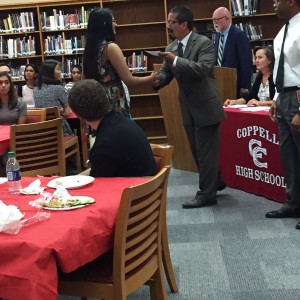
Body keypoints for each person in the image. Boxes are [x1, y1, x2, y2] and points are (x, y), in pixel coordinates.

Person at [154, 6, 226, 208]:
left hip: (206, 106)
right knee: (198, 152)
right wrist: (155, 80)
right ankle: (216, 181)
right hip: (188, 109)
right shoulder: (170, 48)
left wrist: (176, 60)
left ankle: (206, 194)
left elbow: (202, 69)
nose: (168, 26)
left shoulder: (204, 43)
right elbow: (167, 76)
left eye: (171, 22)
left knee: (206, 152)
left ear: (184, 24)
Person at [68, 79, 156, 177]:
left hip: (130, 189)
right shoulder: (123, 122)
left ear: (77, 114)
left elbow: (97, 184)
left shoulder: (104, 144)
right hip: (146, 186)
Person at [83, 8, 156, 118]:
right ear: (105, 24)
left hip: (96, 103)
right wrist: (151, 78)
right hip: (113, 104)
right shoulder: (110, 48)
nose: (116, 24)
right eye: (113, 21)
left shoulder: (89, 50)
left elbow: (83, 81)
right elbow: (129, 80)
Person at [265, 0, 300, 229]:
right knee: (288, 153)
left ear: (291, 2)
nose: (274, 4)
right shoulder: (282, 31)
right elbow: (282, 69)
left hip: (298, 96)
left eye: (278, 0)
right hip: (284, 95)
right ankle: (293, 203)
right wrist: (277, 98)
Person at [212, 7, 252, 98]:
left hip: (235, 84)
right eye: (213, 20)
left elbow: (246, 62)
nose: (214, 23)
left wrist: (245, 86)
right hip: (220, 82)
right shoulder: (217, 35)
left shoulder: (239, 35)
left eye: (216, 19)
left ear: (227, 18)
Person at [33, 59, 73, 136]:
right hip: (59, 130)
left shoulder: (35, 89)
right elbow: (67, 113)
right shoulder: (58, 89)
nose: (60, 72)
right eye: (58, 69)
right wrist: (59, 112)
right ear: (50, 72)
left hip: (42, 131)